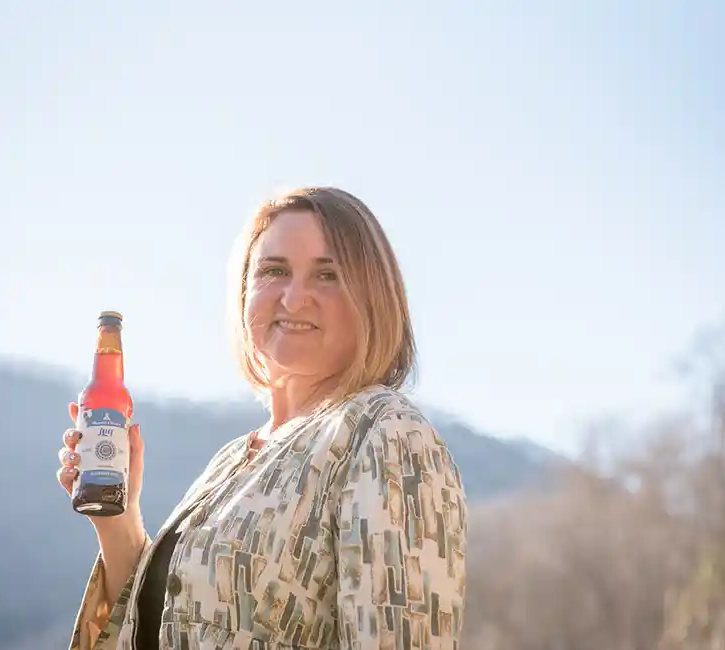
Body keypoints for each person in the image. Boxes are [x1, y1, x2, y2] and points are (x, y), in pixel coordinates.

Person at [57, 186, 468, 650]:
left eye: (327, 275)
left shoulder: (388, 435)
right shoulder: (232, 459)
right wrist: (121, 521)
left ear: (373, 299)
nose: (294, 299)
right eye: (274, 271)